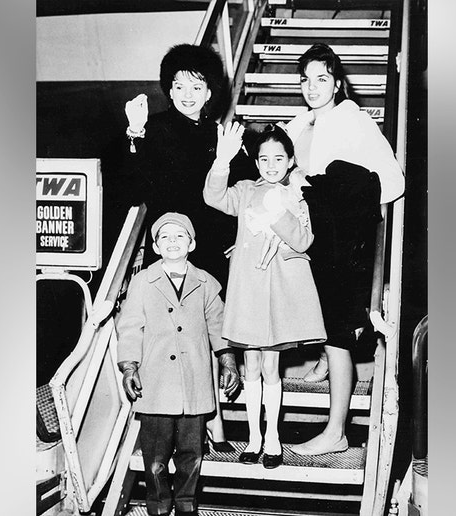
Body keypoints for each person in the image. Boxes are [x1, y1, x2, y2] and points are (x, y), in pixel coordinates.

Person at [119, 43, 258, 451]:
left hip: (213, 250)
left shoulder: (225, 134)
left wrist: (241, 241)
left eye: (195, 85)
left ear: (210, 90)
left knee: (208, 337)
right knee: (171, 339)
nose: (186, 93)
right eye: (177, 85)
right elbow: (133, 186)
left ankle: (211, 423)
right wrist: (134, 134)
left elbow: (246, 193)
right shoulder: (156, 128)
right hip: (170, 248)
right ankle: (179, 427)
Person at [284, 43, 406, 456]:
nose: (312, 87)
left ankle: (335, 431)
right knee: (314, 315)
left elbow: (393, 180)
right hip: (304, 237)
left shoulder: (354, 121)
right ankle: (322, 358)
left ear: (337, 83)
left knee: (338, 331)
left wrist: (333, 193)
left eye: (322, 78)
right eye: (305, 79)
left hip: (338, 239)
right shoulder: (298, 123)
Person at [204, 125, 327, 469]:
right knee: (251, 366)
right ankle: (254, 437)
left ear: (290, 161)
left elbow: (304, 241)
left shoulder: (298, 195)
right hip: (248, 290)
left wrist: (277, 215)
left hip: (278, 294)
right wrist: (222, 161)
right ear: (256, 163)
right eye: (263, 159)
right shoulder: (244, 191)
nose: (271, 165)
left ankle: (272, 436)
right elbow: (213, 198)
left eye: (278, 158)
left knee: (271, 365)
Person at [116, 212, 240, 516]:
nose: (173, 242)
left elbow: (218, 324)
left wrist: (228, 360)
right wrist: (130, 366)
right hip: (155, 386)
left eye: (180, 236)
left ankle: (187, 503)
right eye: (165, 237)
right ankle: (158, 504)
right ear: (156, 247)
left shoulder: (206, 283)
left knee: (191, 454)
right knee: (155, 458)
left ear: (192, 243)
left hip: (194, 387)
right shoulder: (143, 282)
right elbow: (130, 327)